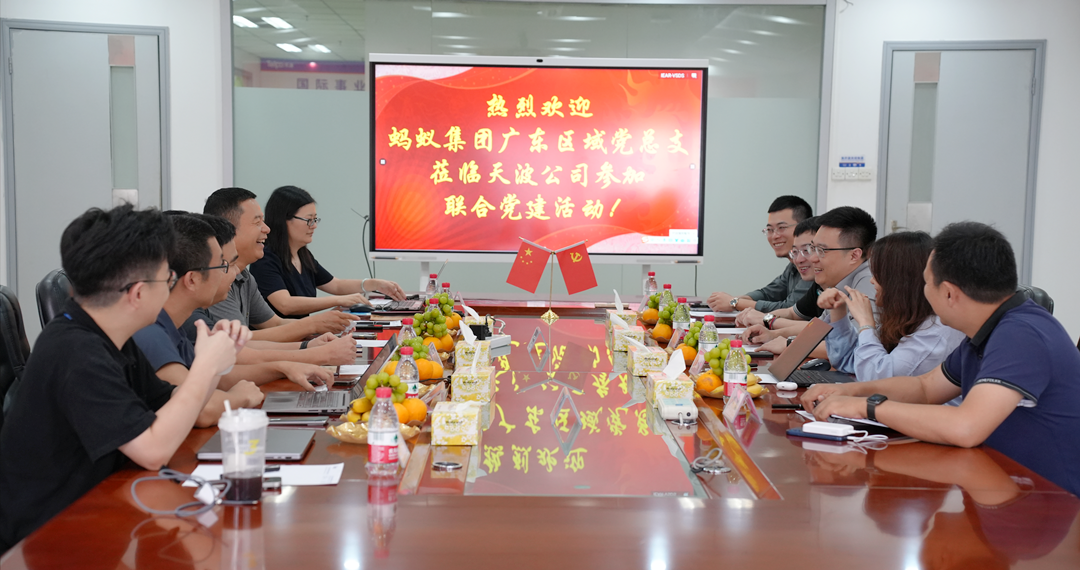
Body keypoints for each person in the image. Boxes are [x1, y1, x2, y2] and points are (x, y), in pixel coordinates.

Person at [0, 205, 254, 551]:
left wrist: (216, 360)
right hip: (49, 539)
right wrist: (206, 367)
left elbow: (170, 404)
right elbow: (151, 450)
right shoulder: (75, 352)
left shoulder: (111, 335)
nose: (171, 287)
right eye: (167, 279)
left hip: (102, 510)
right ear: (137, 293)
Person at [802, 222, 1080, 496]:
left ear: (948, 293)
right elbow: (925, 388)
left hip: (1045, 501)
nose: (923, 291)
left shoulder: (1021, 335)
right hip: (996, 482)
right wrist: (850, 391)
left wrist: (867, 407)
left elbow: (966, 427)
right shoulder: (988, 329)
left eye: (926, 283)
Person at [133, 214, 333, 392]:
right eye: (224, 265)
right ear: (191, 279)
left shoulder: (174, 328)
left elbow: (217, 378)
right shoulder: (152, 333)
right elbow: (201, 406)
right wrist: (239, 397)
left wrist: (283, 366)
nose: (233, 272)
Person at [191, 212, 357, 367]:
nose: (266, 229)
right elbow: (243, 348)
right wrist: (314, 342)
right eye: (257, 222)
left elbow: (264, 330)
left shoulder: (246, 275)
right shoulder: (194, 318)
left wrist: (309, 345)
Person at [817, 231, 965, 386]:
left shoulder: (935, 332)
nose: (872, 281)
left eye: (878, 274)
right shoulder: (904, 318)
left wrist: (866, 325)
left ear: (899, 280)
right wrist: (839, 311)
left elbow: (878, 379)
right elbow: (849, 361)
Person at [249, 185, 404, 318]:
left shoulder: (303, 255)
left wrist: (374, 284)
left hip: (303, 335)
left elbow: (336, 285)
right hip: (280, 340)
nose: (314, 226)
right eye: (309, 220)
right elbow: (285, 304)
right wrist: (339, 301)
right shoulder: (265, 258)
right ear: (283, 220)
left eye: (315, 219)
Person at [706, 195, 813, 313]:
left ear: (803, 227)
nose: (775, 236)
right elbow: (768, 293)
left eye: (781, 227)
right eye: (770, 230)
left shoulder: (812, 265)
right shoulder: (793, 265)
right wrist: (731, 300)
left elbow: (790, 310)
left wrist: (735, 303)